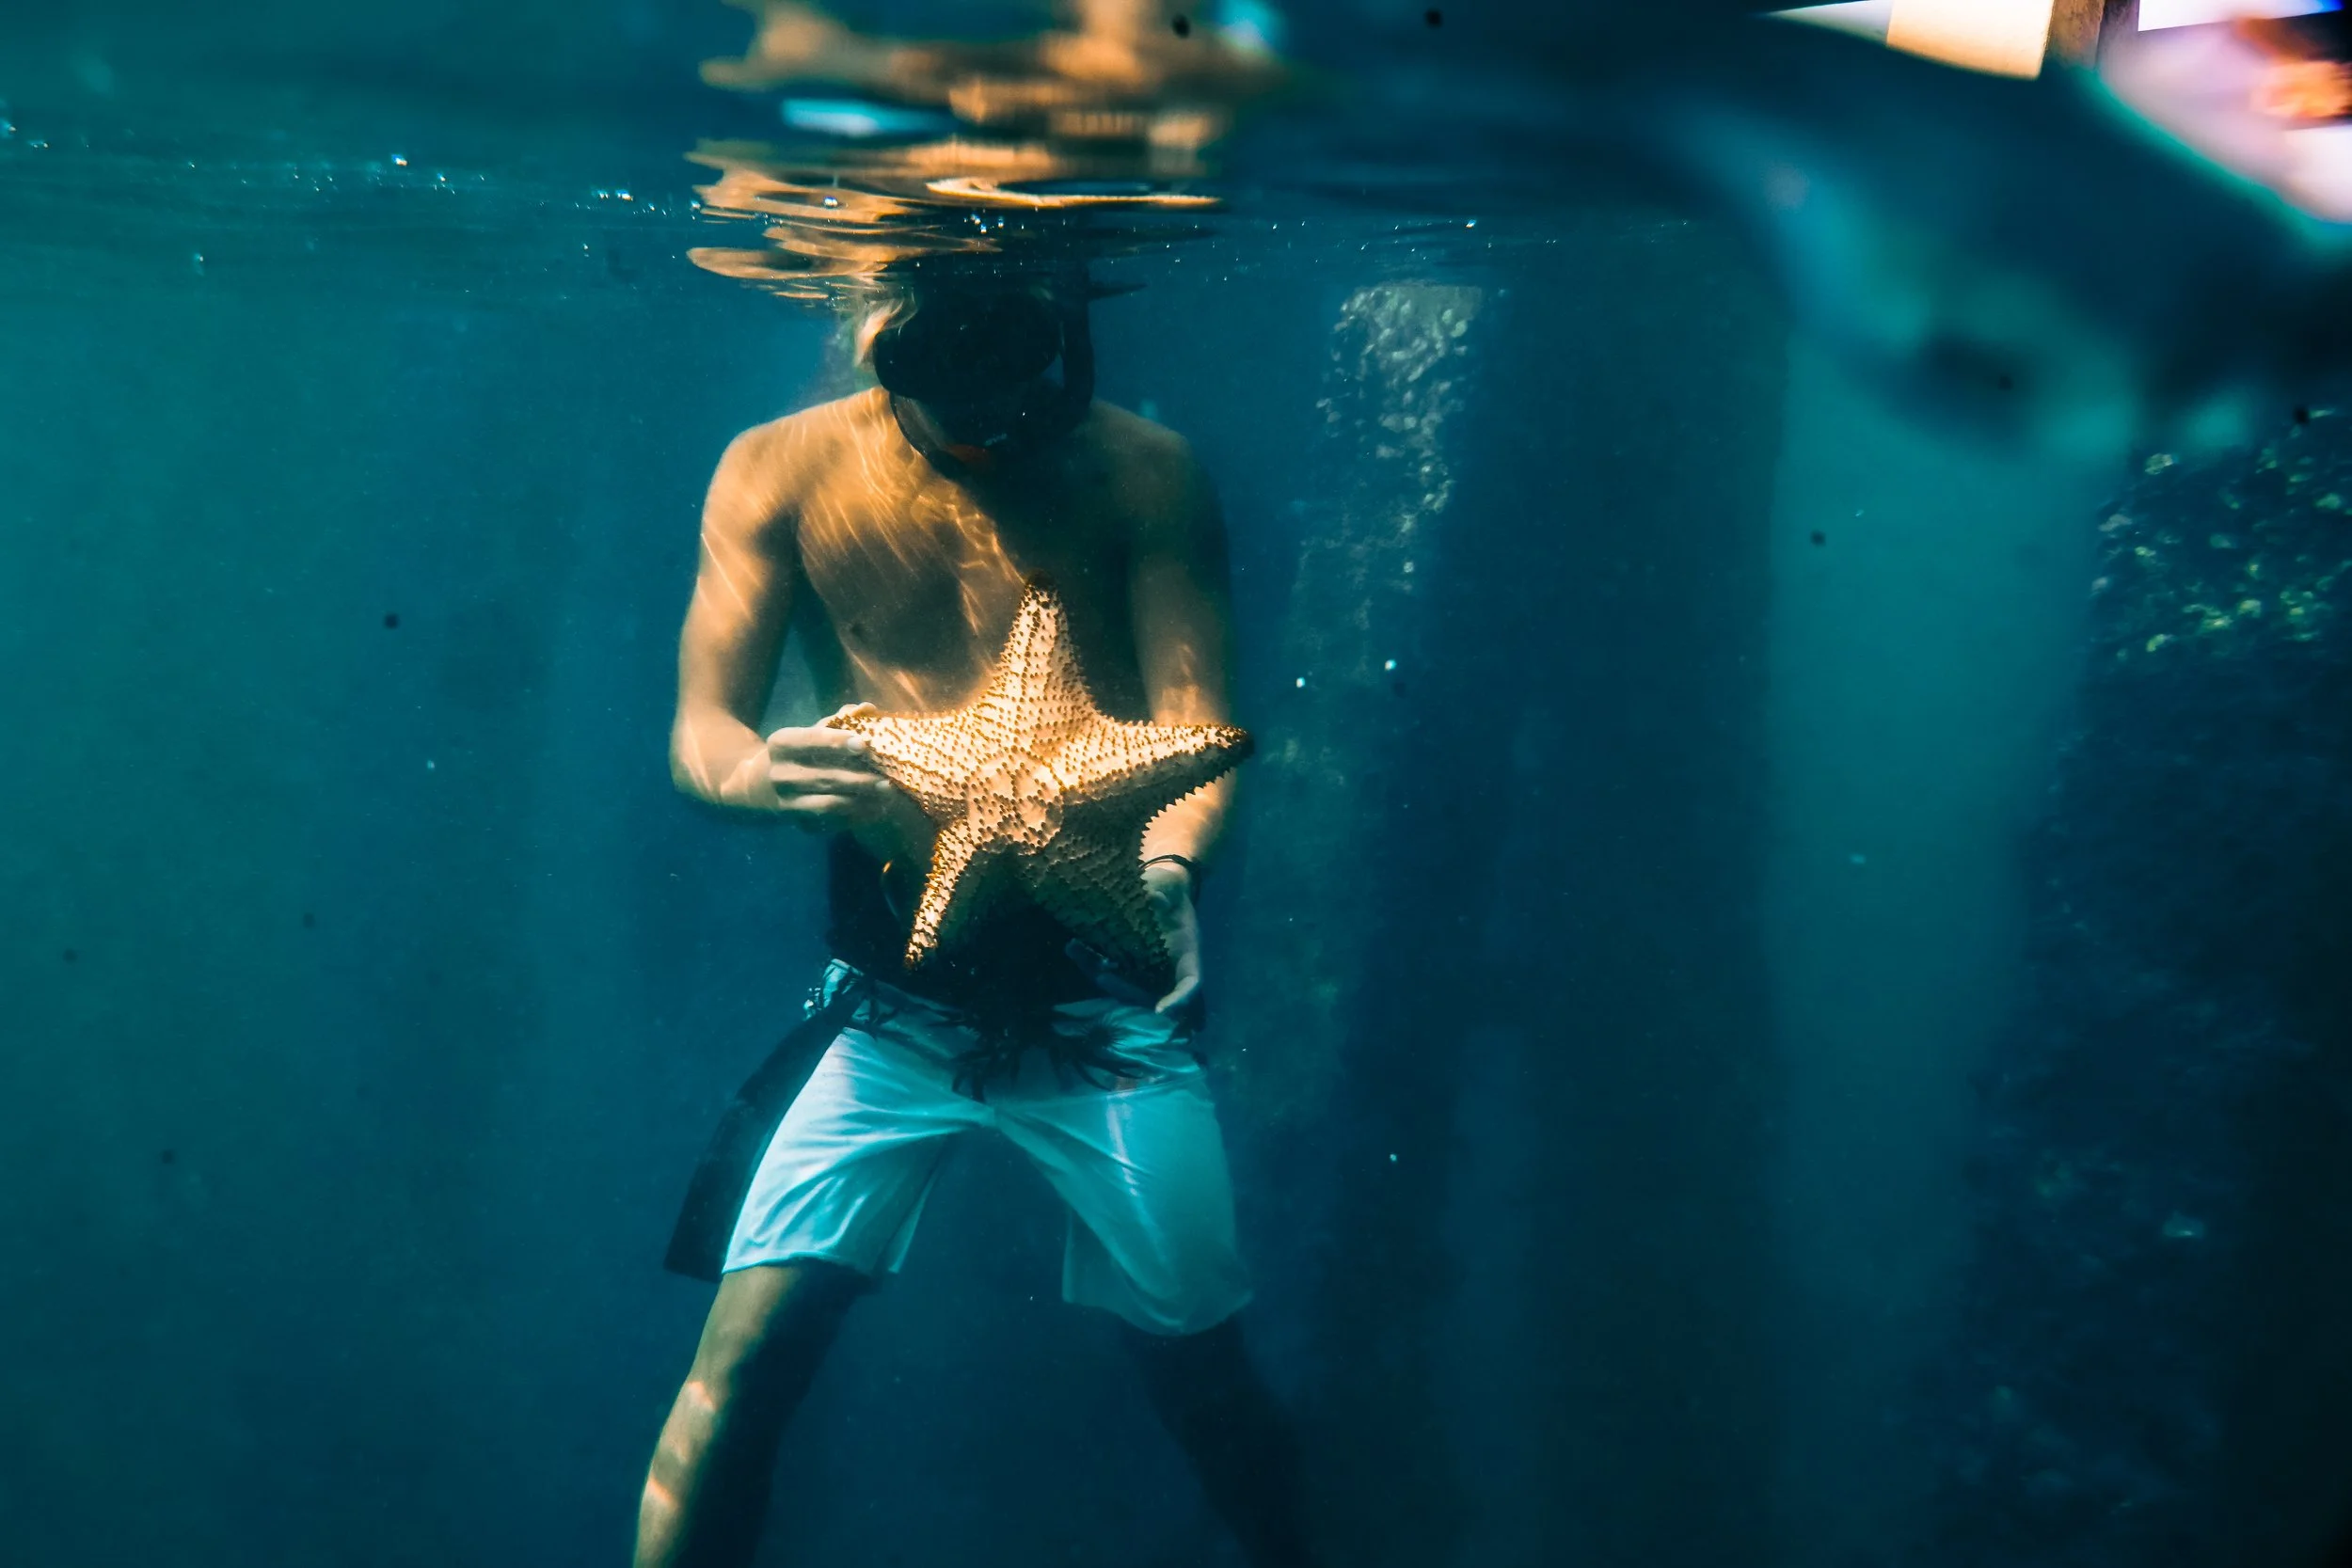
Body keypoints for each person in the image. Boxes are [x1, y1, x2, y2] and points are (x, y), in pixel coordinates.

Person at [634, 267, 1315, 1568]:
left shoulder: (1143, 473)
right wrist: (750, 774)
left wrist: (1167, 876)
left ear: (1066, 344)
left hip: (1102, 993)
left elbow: (1192, 732)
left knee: (1205, 1383)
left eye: (1019, 399)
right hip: (888, 1006)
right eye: (949, 402)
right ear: (883, 340)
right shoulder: (779, 468)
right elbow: (703, 733)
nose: (986, 437)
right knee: (738, 1368)